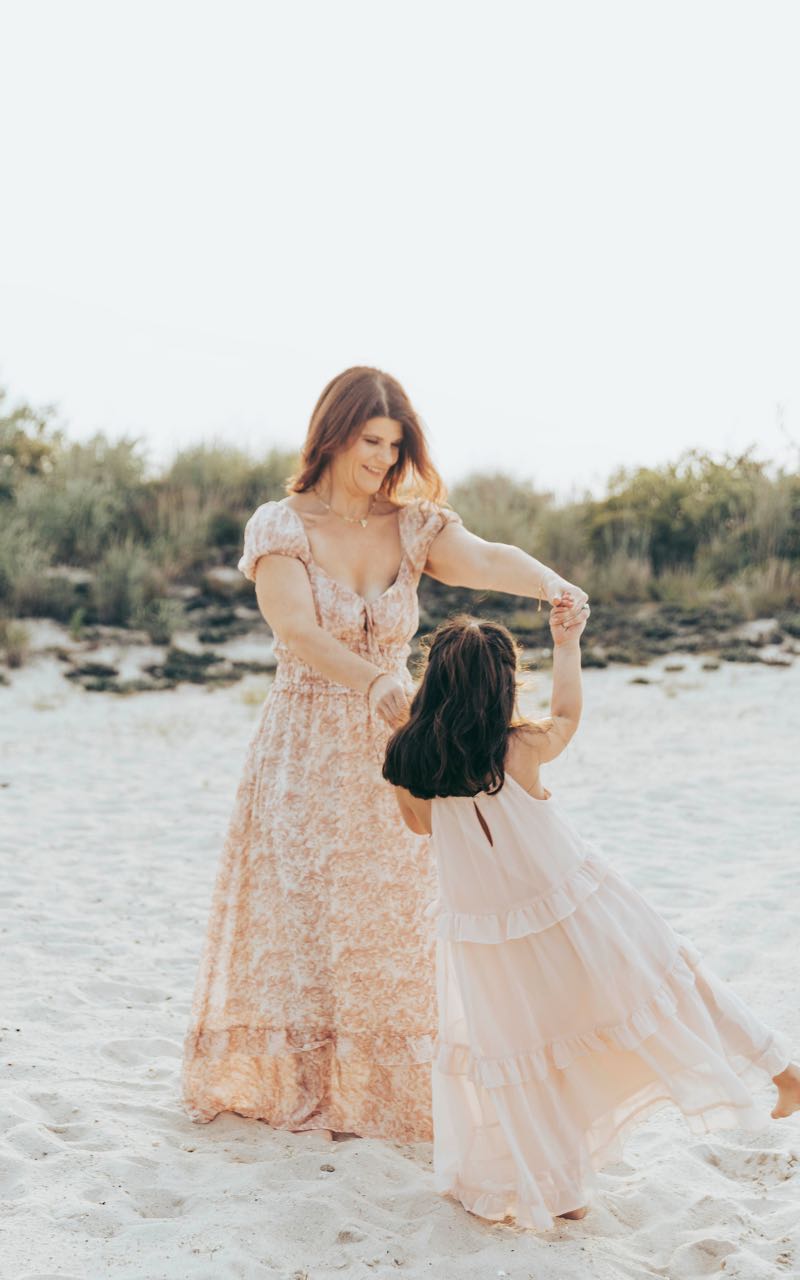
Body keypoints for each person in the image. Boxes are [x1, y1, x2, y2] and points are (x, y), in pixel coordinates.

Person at [180, 365, 588, 1142]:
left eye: (394, 445)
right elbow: (297, 629)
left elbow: (488, 559)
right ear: (333, 435)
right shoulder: (281, 526)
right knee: (306, 915)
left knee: (397, 917)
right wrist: (371, 680)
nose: (382, 459)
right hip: (306, 741)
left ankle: (387, 1091)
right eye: (371, 441)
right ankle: (306, 1087)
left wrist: (555, 587)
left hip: (400, 745)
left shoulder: (414, 526)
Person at [382, 603, 799, 1230]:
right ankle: (782, 1070)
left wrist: (408, 729)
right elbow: (569, 715)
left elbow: (419, 827)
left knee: (528, 1053)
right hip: (581, 908)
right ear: (503, 684)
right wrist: (566, 644)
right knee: (677, 979)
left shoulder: (405, 757)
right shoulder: (519, 746)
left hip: (490, 940)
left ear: (432, 679)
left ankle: (562, 1191)